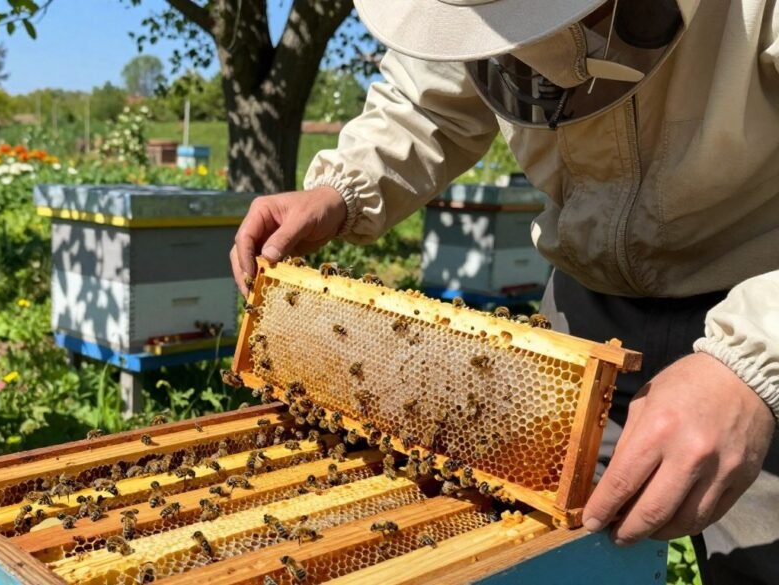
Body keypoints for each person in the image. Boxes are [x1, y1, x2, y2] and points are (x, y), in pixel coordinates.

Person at [228, 0, 779, 582]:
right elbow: (426, 98)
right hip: (583, 319)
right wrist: (346, 186)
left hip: (761, 290)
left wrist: (756, 357)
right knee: (553, 553)